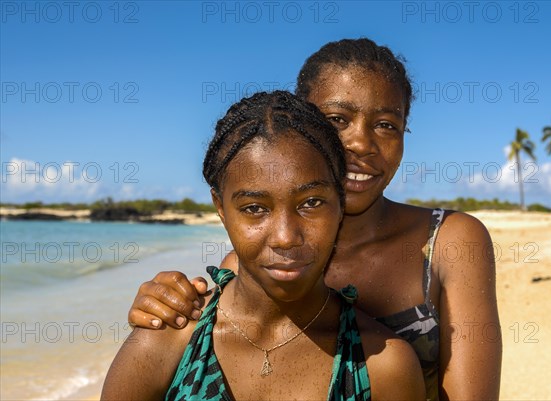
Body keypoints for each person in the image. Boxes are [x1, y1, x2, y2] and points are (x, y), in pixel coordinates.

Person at [127, 39, 502, 401]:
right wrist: (161, 309)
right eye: (338, 119)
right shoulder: (264, 260)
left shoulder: (451, 242)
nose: (362, 143)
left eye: (386, 124)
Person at [101, 91, 425, 401]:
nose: (285, 237)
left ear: (340, 201)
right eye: (255, 208)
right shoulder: (167, 341)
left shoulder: (382, 365)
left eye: (311, 202)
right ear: (220, 207)